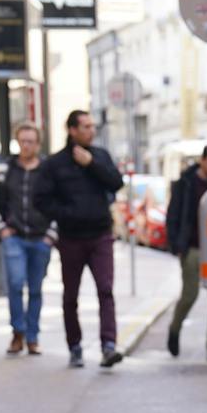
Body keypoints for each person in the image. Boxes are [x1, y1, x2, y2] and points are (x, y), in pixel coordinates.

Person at [38, 110, 123, 368]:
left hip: (100, 235)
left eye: (92, 126)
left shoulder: (100, 156)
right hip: (71, 238)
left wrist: (92, 164)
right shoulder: (55, 163)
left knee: (106, 290)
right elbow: (40, 199)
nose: (91, 130)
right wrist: (66, 215)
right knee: (70, 296)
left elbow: (116, 183)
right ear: (72, 130)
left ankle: (109, 346)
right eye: (85, 126)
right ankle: (74, 346)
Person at [0, 122, 55, 356]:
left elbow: (62, 204)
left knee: (35, 289)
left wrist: (52, 235)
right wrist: (0, 228)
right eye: (22, 141)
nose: (26, 146)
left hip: (41, 238)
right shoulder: (4, 170)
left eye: (30, 141)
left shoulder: (48, 171)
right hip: (13, 237)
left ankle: (33, 337)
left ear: (38, 143)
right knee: (14, 283)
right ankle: (18, 333)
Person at [164, 144, 207, 361]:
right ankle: (174, 329)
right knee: (189, 296)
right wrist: (175, 244)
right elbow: (174, 212)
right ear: (202, 161)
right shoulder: (186, 182)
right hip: (191, 247)